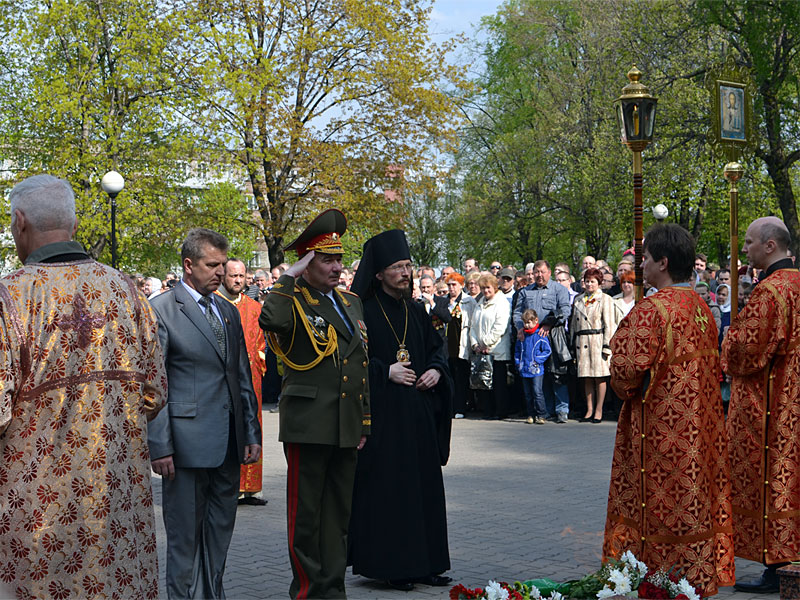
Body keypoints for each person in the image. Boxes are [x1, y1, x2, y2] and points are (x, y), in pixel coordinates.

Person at [0, 175, 167, 599]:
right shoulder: (128, 292)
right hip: (118, 511)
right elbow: (155, 393)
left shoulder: (9, 298)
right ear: (74, 226)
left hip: (38, 519)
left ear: (19, 222)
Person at [603, 223, 734, 597]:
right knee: (692, 505)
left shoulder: (651, 310)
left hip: (659, 435)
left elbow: (624, 372)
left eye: (644, 258)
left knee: (656, 510)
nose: (640, 266)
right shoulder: (700, 307)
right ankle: (693, 582)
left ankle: (655, 584)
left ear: (662, 262)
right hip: (699, 434)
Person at [259, 209, 370, 599]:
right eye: (326, 260)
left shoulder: (350, 302)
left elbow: (360, 364)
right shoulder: (292, 299)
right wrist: (288, 276)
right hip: (309, 422)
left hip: (345, 423)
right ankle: (308, 592)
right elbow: (270, 320)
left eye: (339, 259)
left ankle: (332, 589)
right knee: (306, 516)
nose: (337, 267)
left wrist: (364, 423)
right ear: (307, 263)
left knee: (337, 517)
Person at [148, 228, 262, 599]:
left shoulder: (227, 311)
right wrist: (160, 446)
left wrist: (250, 432)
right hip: (185, 448)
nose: (220, 272)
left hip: (228, 445)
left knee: (219, 535)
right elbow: (154, 385)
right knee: (184, 541)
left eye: (223, 264)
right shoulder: (162, 309)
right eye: (212, 265)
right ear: (188, 264)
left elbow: (241, 376)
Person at [349, 229, 453, 592]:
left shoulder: (416, 310)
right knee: (391, 491)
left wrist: (436, 370)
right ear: (379, 273)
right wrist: (384, 371)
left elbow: (438, 350)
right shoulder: (363, 312)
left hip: (418, 416)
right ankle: (392, 566)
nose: (406, 273)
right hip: (384, 418)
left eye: (408, 266)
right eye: (397, 267)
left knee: (423, 489)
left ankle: (427, 564)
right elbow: (350, 363)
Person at [722, 216, 800, 594]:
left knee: (773, 481)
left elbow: (744, 353)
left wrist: (729, 337)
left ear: (770, 246)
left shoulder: (771, 292)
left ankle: (778, 566)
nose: (745, 249)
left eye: (750, 242)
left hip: (774, 404)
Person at [216, 257, 268, 506]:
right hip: (225, 377)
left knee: (252, 426)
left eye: (241, 276)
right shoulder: (215, 304)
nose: (238, 281)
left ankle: (251, 488)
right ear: (224, 276)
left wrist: (257, 362)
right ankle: (232, 486)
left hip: (251, 378)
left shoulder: (254, 307)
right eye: (233, 276)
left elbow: (261, 343)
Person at [513, 260, 572, 423]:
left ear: (549, 272)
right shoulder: (525, 292)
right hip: (530, 339)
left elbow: (565, 310)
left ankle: (562, 409)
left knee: (557, 374)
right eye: (536, 272)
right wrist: (520, 328)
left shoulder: (559, 289)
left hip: (552, 335)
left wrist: (549, 323)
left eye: (542, 272)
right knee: (538, 375)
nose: (539, 275)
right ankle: (545, 410)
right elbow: (517, 312)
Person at [570, 267, 616, 423]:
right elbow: (573, 324)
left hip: (597, 340)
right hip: (582, 341)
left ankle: (599, 409)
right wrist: (572, 343)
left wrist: (607, 346)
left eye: (593, 281)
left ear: (599, 283)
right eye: (587, 281)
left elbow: (609, 324)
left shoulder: (605, 299)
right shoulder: (578, 300)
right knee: (587, 377)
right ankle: (589, 409)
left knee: (599, 377)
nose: (589, 284)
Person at [470, 273, 512, 420]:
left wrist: (486, 343)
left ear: (494, 287)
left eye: (488, 287)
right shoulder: (480, 303)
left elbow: (500, 327)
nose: (485, 290)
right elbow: (473, 326)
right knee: (484, 382)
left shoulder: (502, 303)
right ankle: (488, 410)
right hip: (482, 351)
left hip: (497, 351)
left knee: (498, 384)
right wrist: (475, 344)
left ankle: (500, 411)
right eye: (483, 288)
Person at [444, 273, 477, 419]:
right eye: (449, 285)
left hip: (461, 345)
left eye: (454, 285)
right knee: (449, 378)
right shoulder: (444, 301)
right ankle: (450, 407)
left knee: (461, 379)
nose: (451, 288)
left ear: (461, 286)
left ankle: (460, 407)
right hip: (447, 346)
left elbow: (473, 322)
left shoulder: (468, 301)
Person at [515, 309, 551, 424]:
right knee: (528, 394)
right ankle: (531, 414)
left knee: (537, 392)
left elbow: (547, 350)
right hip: (524, 368)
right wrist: (518, 362)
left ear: (536, 320)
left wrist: (537, 360)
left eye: (529, 322)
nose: (527, 325)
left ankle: (542, 414)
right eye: (525, 323)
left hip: (536, 369)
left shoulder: (539, 335)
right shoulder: (522, 335)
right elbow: (517, 351)